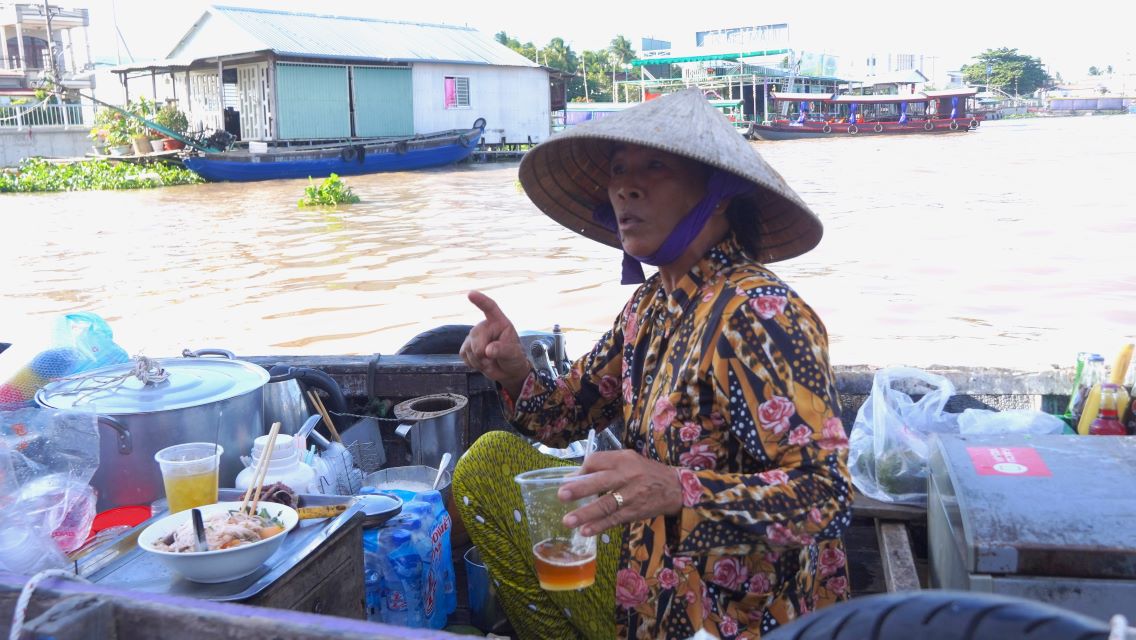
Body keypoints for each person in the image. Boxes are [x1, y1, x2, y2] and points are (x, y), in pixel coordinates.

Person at [453, 88, 852, 640]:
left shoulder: (761, 314)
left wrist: (677, 488)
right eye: (618, 169)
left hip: (738, 612)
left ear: (717, 192)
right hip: (649, 577)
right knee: (486, 462)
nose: (624, 186)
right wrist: (515, 371)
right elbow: (564, 417)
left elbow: (826, 495)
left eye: (655, 165)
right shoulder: (649, 306)